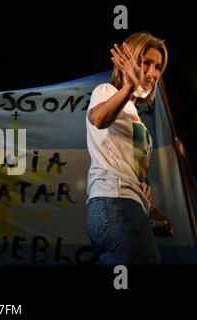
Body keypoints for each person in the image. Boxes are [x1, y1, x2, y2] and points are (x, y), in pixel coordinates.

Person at [85, 32, 175, 265]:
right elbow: (98, 119)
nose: (153, 73)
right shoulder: (107, 91)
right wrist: (128, 87)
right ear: (130, 61)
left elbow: (126, 170)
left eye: (157, 67)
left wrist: (149, 209)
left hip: (126, 208)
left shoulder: (134, 116)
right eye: (146, 62)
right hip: (114, 205)